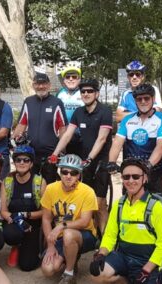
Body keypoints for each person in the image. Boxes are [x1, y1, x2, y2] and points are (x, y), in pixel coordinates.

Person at [90, 158, 162, 284]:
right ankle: (125, 280)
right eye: (126, 177)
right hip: (123, 256)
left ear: (145, 179)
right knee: (98, 275)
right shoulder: (119, 204)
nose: (131, 181)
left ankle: (159, 274)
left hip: (147, 259)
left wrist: (146, 270)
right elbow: (110, 235)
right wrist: (101, 254)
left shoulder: (156, 206)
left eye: (136, 177)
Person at [51, 78, 114, 235]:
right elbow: (66, 135)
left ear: (97, 93)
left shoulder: (105, 111)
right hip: (83, 162)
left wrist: (90, 159)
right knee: (83, 200)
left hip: (99, 161)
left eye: (90, 91)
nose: (86, 94)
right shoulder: (79, 112)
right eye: (83, 91)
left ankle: (104, 240)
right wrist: (55, 153)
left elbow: (101, 139)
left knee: (99, 202)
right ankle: (88, 233)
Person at [40, 154, 99, 284]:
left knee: (68, 234)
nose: (68, 176)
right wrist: (50, 246)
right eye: (64, 171)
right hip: (59, 236)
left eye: (73, 172)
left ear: (79, 175)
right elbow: (45, 219)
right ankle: (70, 257)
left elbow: (84, 222)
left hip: (85, 235)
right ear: (59, 172)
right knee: (48, 269)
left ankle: (69, 273)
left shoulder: (87, 191)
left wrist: (61, 226)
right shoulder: (51, 189)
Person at [108, 83, 162, 197]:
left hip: (154, 173)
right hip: (132, 174)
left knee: (156, 209)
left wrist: (148, 166)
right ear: (135, 101)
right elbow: (117, 142)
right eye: (139, 99)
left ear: (153, 99)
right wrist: (111, 161)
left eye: (146, 98)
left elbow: (161, 147)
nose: (143, 101)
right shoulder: (127, 120)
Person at [12, 72, 67, 184]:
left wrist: (63, 150)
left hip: (51, 154)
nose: (41, 86)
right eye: (38, 84)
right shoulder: (28, 102)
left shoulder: (57, 102)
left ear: (49, 85)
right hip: (31, 153)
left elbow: (62, 128)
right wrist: (12, 140)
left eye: (44, 83)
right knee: (32, 184)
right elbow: (22, 124)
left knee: (49, 185)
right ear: (33, 85)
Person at [1, 145, 46, 271]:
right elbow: (3, 211)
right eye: (18, 160)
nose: (22, 163)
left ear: (31, 164)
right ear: (14, 162)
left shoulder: (39, 182)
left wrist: (26, 215)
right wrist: (18, 219)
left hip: (33, 225)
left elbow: (45, 212)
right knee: (10, 234)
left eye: (26, 160)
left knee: (27, 266)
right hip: (14, 222)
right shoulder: (8, 181)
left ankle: (34, 245)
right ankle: (16, 244)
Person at [56, 62, 84, 156]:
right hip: (63, 134)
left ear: (79, 79)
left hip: (81, 136)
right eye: (68, 77)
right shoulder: (60, 93)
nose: (71, 79)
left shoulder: (85, 92)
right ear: (64, 80)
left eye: (74, 76)